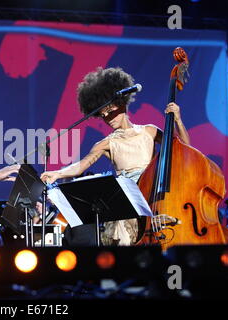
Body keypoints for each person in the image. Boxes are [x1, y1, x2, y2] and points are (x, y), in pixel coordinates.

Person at [40, 67, 190, 246]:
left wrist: (178, 120)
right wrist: (58, 173)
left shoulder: (149, 131)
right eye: (102, 115)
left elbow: (184, 150)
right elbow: (81, 166)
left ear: (122, 104)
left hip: (156, 197)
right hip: (128, 204)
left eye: (110, 111)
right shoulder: (105, 143)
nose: (107, 118)